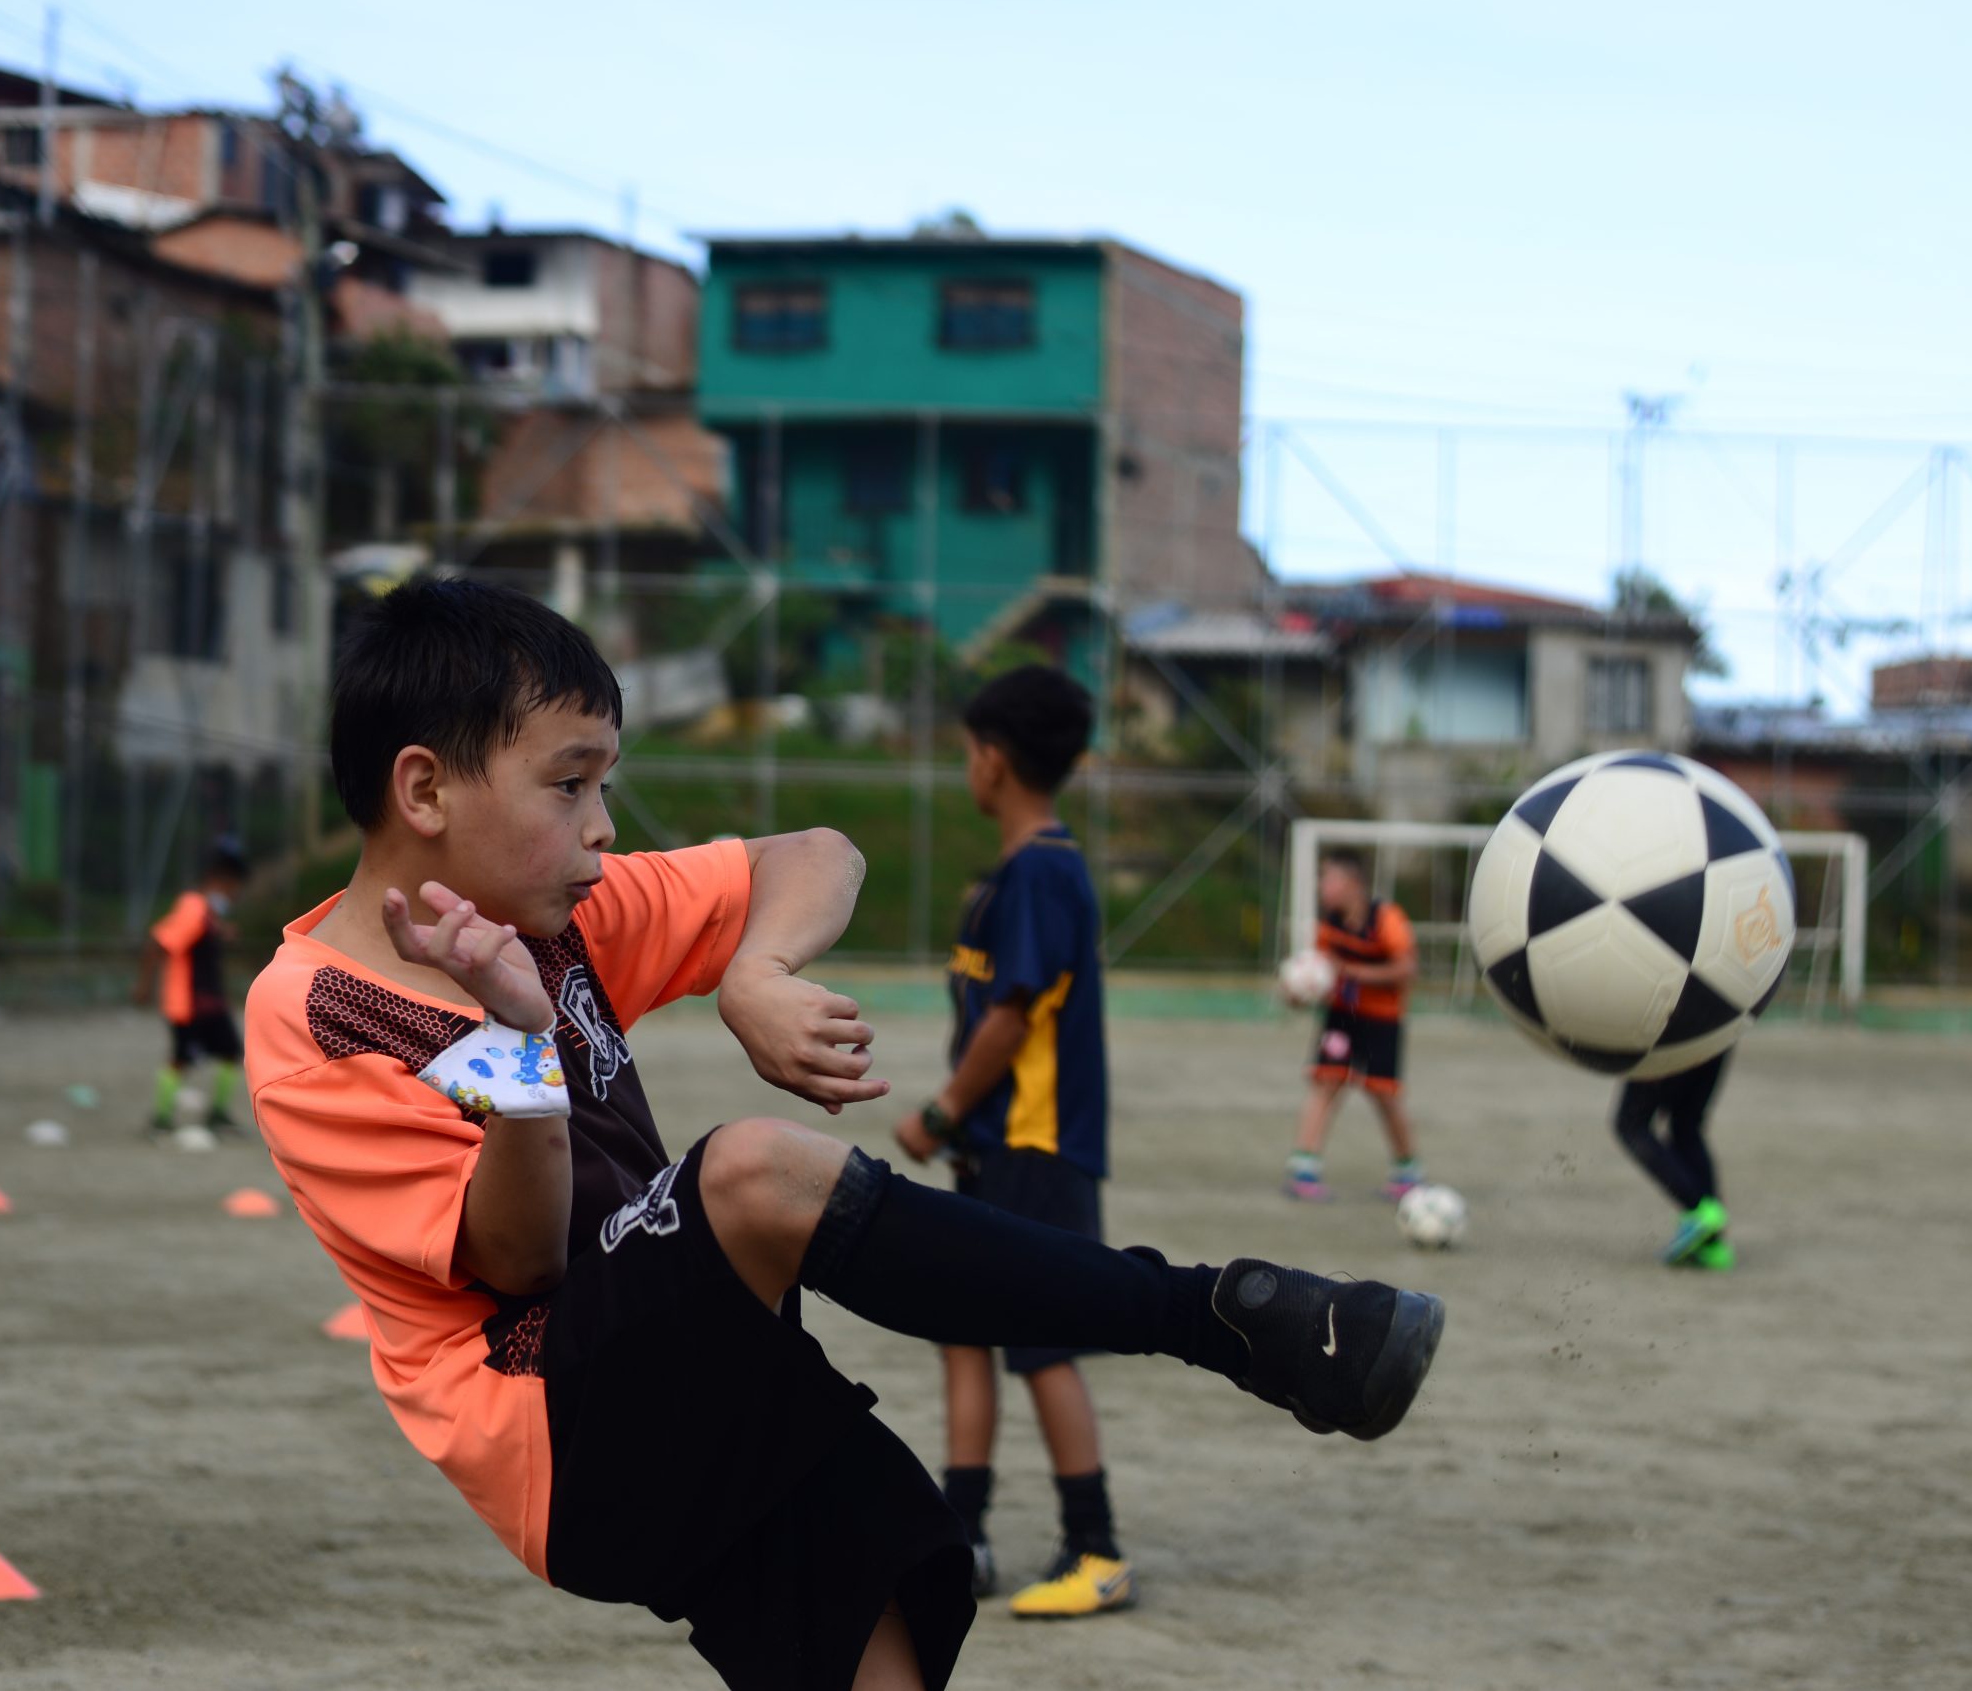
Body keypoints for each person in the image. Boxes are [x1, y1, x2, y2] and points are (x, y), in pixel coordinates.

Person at [242, 578, 1445, 1691]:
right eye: (570, 785)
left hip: (700, 1364)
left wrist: (752, 965)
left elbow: (818, 854)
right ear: (424, 789)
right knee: (754, 1171)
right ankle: (1218, 1315)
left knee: (884, 1660)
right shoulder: (314, 1013)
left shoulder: (558, 914)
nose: (604, 825)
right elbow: (519, 1259)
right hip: (557, 1419)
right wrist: (519, 1048)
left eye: (605, 782)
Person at [887, 667, 1126, 1619]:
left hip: (1038, 1148)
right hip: (995, 1152)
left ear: (993, 758)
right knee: (962, 1331)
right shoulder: (1017, 873)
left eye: (967, 751)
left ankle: (1097, 1544)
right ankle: (965, 1533)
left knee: (1043, 1346)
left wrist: (938, 1112)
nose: (966, 766)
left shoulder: (1042, 873)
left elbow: (1010, 1023)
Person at [1284, 852, 1424, 1202]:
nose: (1322, 887)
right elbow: (1323, 976)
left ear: (1353, 885)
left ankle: (1407, 1171)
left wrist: (1351, 971)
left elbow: (1407, 970)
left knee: (1383, 1093)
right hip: (1342, 1017)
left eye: (1329, 879)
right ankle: (1304, 1168)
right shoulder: (1329, 923)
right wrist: (1299, 992)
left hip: (1381, 1019)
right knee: (1326, 1081)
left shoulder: (1386, 919)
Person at [136, 838, 250, 1144]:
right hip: (189, 1003)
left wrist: (221, 931)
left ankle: (214, 1115)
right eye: (233, 889)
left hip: (207, 1002)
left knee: (228, 1052)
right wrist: (144, 986)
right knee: (181, 1059)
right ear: (220, 881)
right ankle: (161, 1120)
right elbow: (158, 943)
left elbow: (200, 933)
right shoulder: (194, 909)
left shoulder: (204, 912)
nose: (234, 895)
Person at [1613, 1051, 1735, 1270]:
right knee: (1686, 1126)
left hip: (1668, 1036)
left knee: (1631, 1125)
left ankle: (1699, 1210)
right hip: (1719, 1031)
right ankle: (1711, 1245)